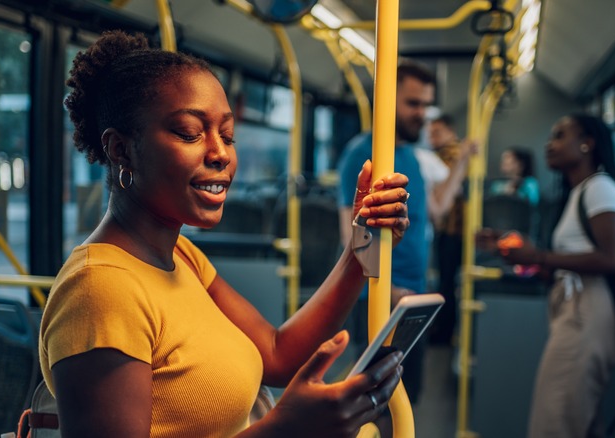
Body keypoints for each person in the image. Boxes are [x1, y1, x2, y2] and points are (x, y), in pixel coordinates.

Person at [38, 31, 413, 438]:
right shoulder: (100, 290)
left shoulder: (179, 255)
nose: (221, 153)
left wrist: (359, 251)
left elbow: (277, 353)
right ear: (121, 150)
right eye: (189, 132)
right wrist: (285, 430)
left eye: (228, 135)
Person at [477, 114, 615, 437]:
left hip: (588, 312)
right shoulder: (580, 192)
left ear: (587, 143)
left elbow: (612, 258)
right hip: (574, 306)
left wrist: (538, 256)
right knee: (581, 422)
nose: (549, 144)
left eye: (560, 135)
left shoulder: (600, 189)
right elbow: (567, 261)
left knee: (554, 422)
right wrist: (520, 252)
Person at [337, 61, 435, 409]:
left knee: (408, 397)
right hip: (378, 296)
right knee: (375, 404)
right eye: (413, 104)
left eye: (425, 105)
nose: (421, 114)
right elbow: (351, 235)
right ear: (387, 100)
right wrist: (387, 289)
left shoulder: (412, 156)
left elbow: (430, 213)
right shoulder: (363, 155)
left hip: (413, 295)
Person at [425, 114, 476, 345]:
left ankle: (444, 332)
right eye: (431, 133)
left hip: (455, 229)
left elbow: (445, 190)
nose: (432, 137)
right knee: (446, 280)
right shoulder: (444, 156)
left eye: (437, 132)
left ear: (450, 132)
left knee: (448, 281)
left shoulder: (452, 156)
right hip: (448, 227)